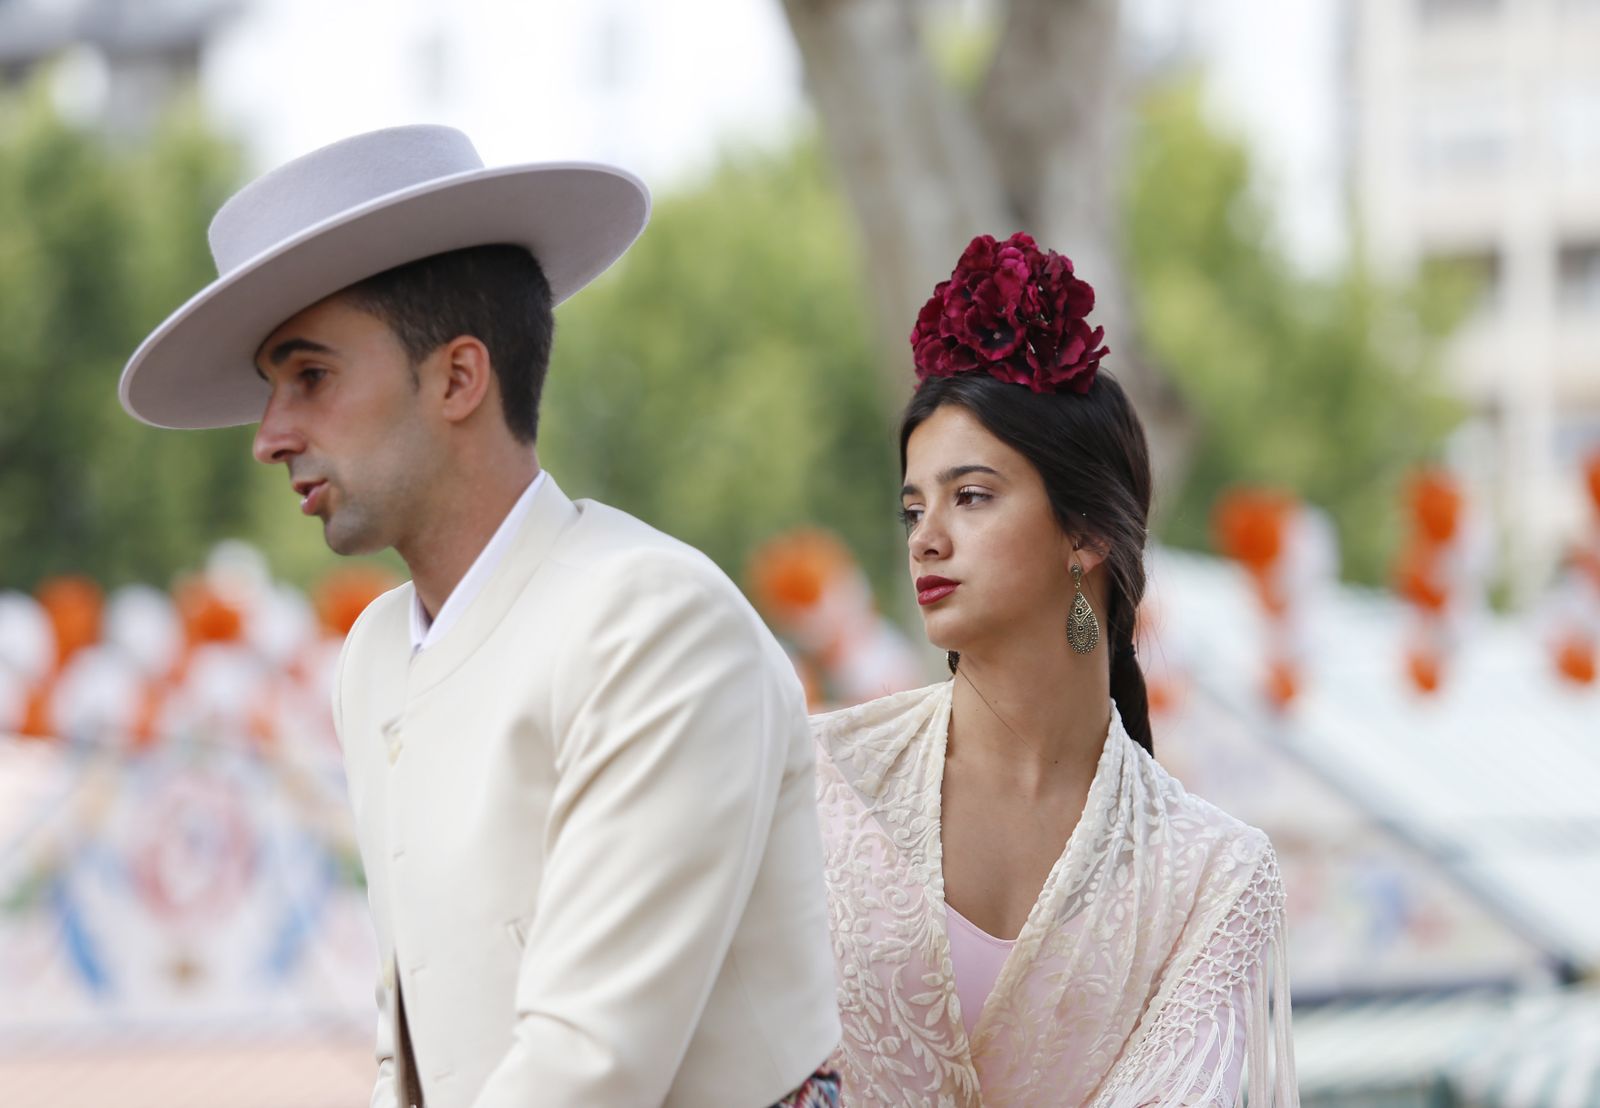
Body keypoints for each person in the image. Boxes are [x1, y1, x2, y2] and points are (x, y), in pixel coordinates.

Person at [120, 125, 841, 1108]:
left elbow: (592, 1064)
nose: (270, 436)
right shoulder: (376, 654)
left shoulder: (655, 622)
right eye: (271, 388)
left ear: (459, 377)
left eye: (311, 376)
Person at [811, 233, 1298, 1106]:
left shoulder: (1213, 875)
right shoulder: (817, 780)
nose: (926, 536)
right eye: (913, 506)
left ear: (1086, 534)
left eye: (972, 496)